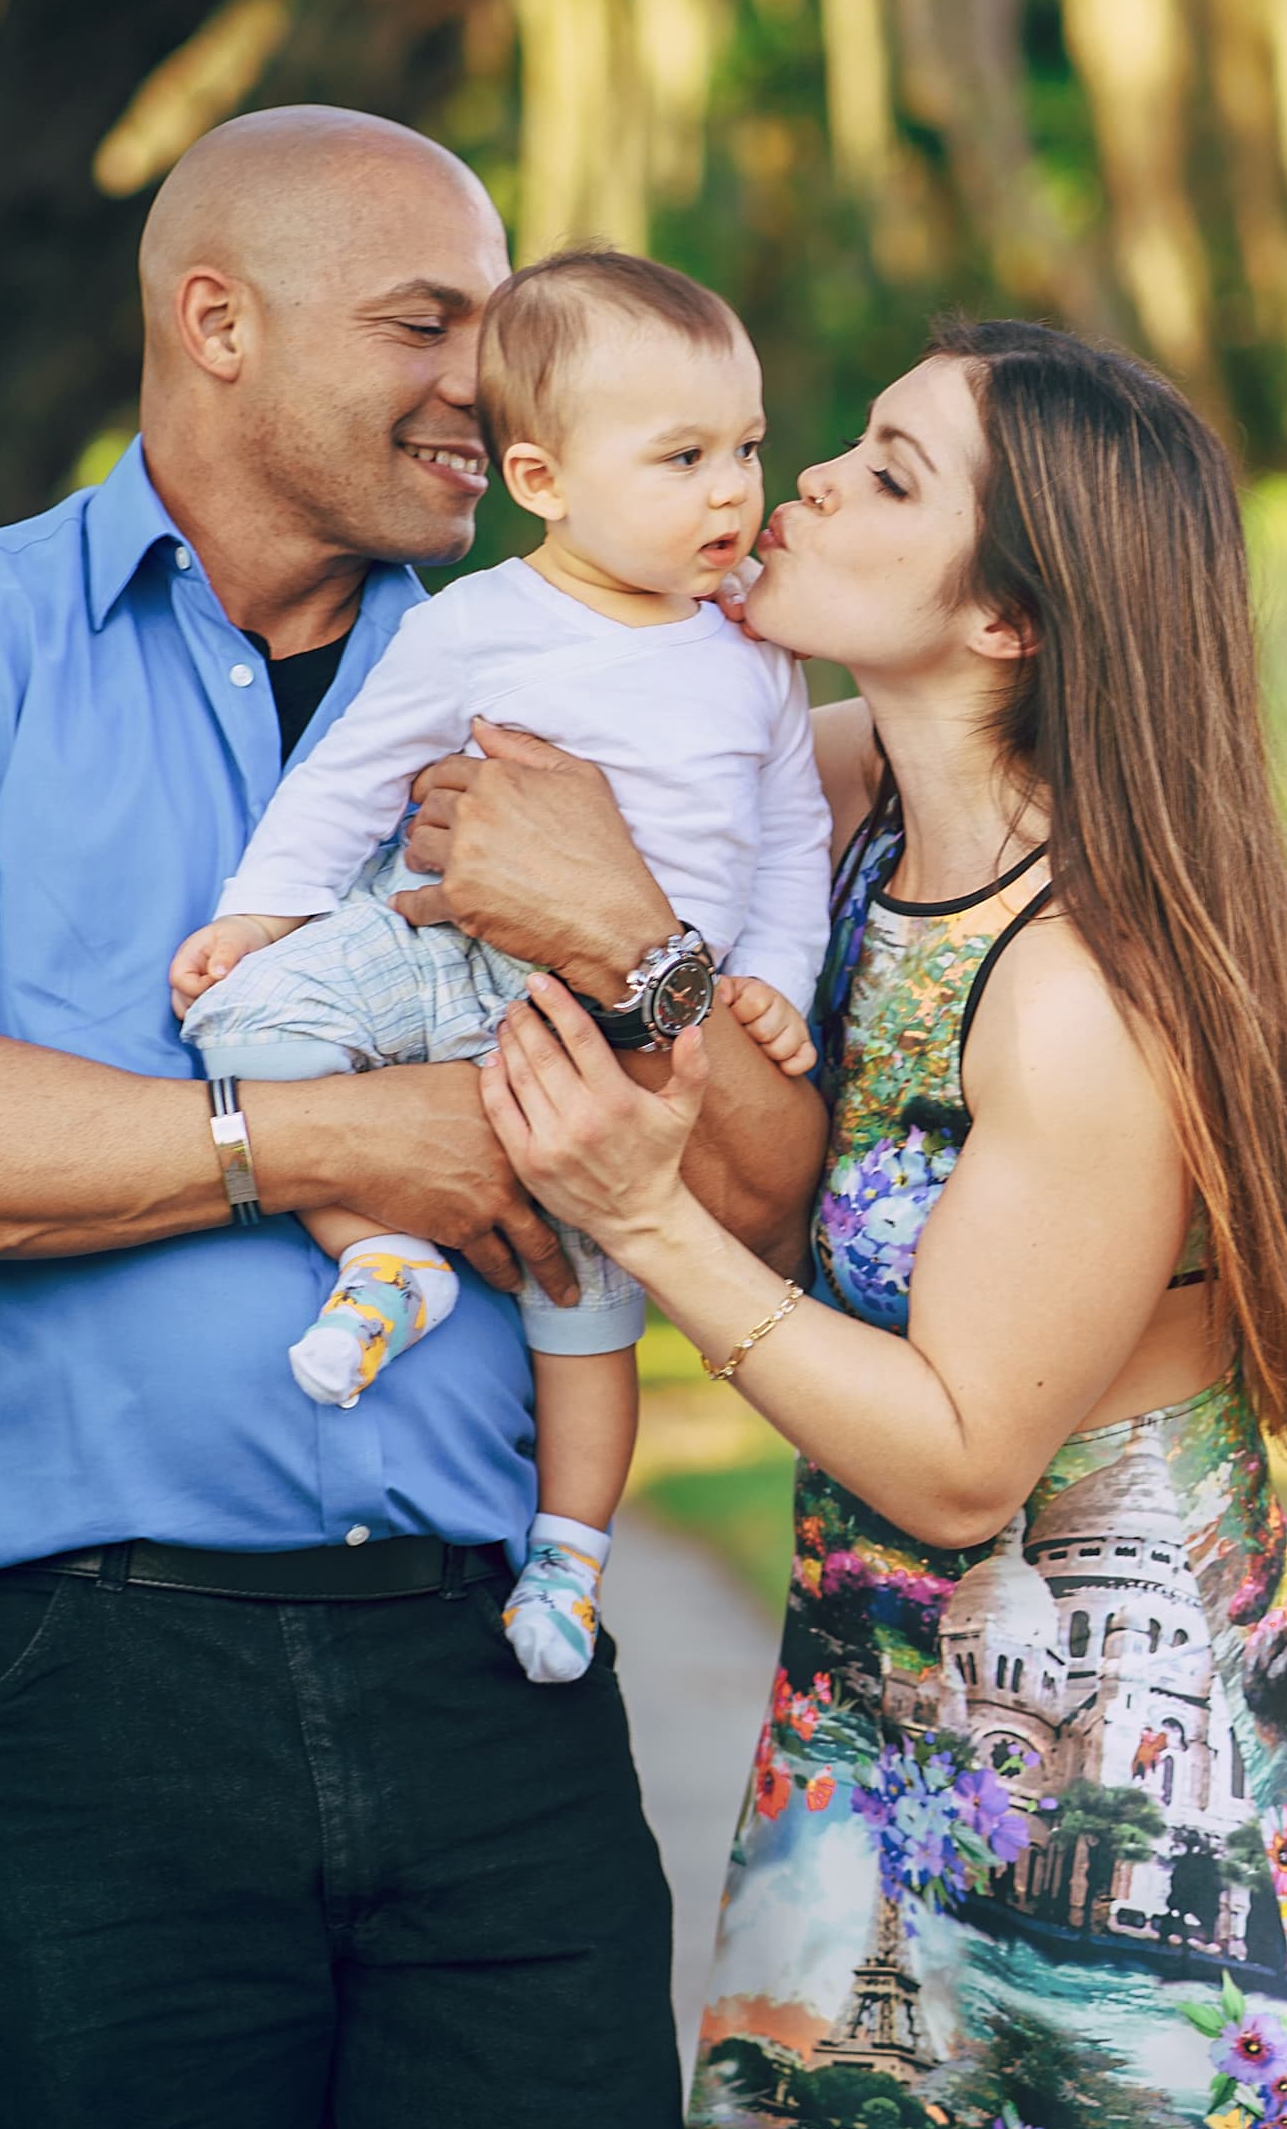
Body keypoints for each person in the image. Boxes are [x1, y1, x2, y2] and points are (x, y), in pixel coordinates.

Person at [0, 107, 822, 2129]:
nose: (488, 375)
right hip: (95, 1691)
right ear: (216, 320)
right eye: (425, 321)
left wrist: (626, 928)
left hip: (503, 1682)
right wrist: (322, 1137)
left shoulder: (584, 668)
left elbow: (759, 1191)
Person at [473, 322, 1287, 2129]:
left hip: (1117, 1804)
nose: (806, 478)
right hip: (877, 1733)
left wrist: (645, 1221)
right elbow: (613, 747)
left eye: (891, 476)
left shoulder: (1074, 985)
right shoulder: (850, 811)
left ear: (1010, 620)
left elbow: (958, 1454)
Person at [167, 244, 830, 1685]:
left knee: (586, 1312)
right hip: (449, 975)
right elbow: (352, 779)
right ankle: (384, 1259)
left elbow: (790, 836)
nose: (734, 489)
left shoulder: (756, 658)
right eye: (683, 458)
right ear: (542, 482)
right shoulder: (478, 627)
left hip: (615, 1041)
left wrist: (773, 969)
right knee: (243, 1023)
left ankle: (571, 1560)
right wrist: (265, 911)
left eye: (747, 448)